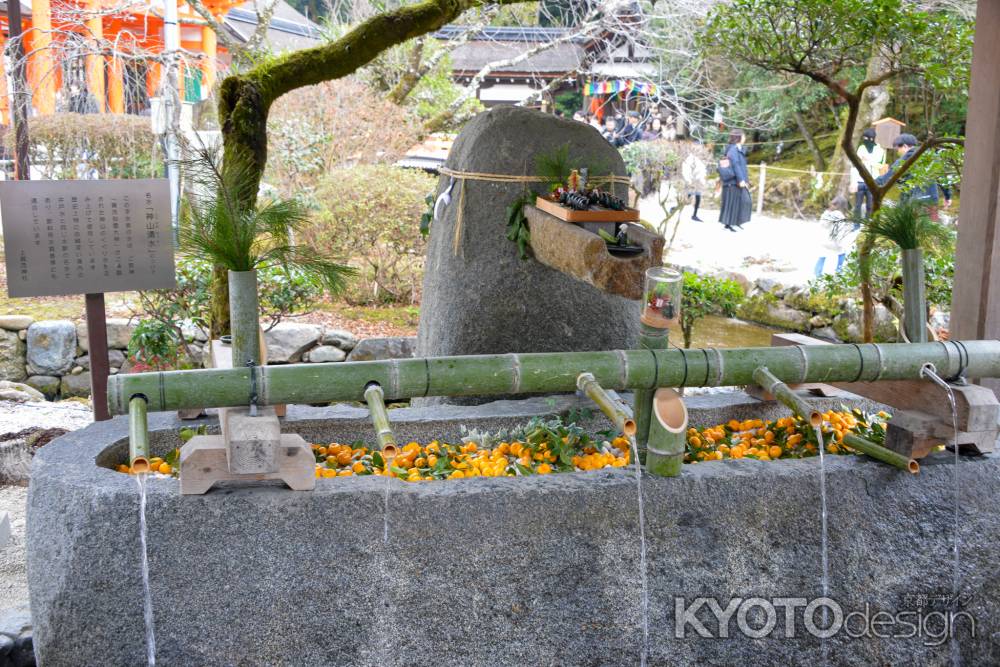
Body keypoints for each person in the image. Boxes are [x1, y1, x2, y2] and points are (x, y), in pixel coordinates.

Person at [877, 133, 952, 220]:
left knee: (910, 230)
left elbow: (885, 178)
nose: (898, 153)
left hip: (913, 202)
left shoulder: (905, 159)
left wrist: (864, 185)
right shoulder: (932, 157)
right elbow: (942, 178)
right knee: (931, 228)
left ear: (905, 146)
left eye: (898, 150)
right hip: (931, 200)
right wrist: (948, 197)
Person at [717, 130, 752, 231]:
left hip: (736, 180)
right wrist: (741, 180)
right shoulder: (733, 150)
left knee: (739, 202)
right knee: (732, 202)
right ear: (739, 138)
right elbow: (736, 165)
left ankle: (735, 222)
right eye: (743, 136)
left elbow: (741, 166)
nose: (745, 138)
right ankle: (729, 224)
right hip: (732, 181)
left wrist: (745, 180)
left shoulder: (737, 149)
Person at [849, 128, 885, 218]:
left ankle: (868, 224)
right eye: (864, 138)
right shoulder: (861, 148)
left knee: (870, 205)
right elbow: (856, 165)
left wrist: (869, 160)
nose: (866, 141)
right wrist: (853, 181)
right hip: (860, 181)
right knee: (857, 205)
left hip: (873, 181)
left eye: (868, 138)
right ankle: (856, 225)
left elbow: (881, 165)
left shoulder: (881, 150)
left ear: (873, 139)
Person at [815, 195, 853, 276]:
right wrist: (840, 243)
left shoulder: (826, 213)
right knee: (842, 252)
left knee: (822, 256)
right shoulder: (840, 216)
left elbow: (822, 224)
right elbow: (841, 231)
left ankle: (817, 274)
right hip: (835, 242)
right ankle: (839, 272)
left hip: (825, 241)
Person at [681, 148, 708, 222]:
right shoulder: (690, 159)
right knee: (687, 198)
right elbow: (686, 170)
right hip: (692, 182)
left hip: (697, 182)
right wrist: (689, 181)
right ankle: (674, 208)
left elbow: (702, 170)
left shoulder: (698, 159)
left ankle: (694, 215)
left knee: (698, 198)